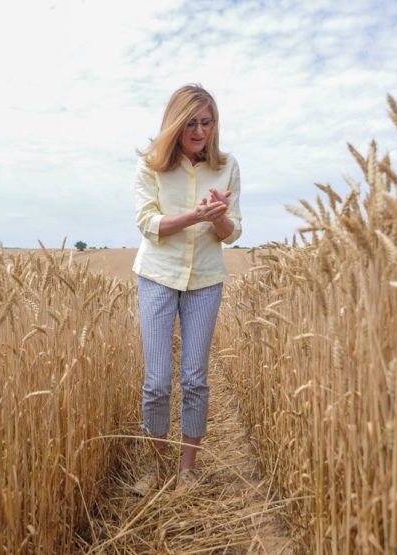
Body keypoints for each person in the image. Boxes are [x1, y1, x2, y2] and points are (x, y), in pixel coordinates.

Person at [131, 84, 242, 494]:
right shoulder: (151, 166)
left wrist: (217, 218)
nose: (200, 131)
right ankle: (155, 468)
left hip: (205, 280)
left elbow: (232, 233)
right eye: (191, 123)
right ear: (176, 124)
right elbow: (147, 222)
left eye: (207, 122)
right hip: (158, 275)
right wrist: (195, 214)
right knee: (157, 380)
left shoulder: (227, 167)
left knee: (195, 378)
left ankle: (187, 470)